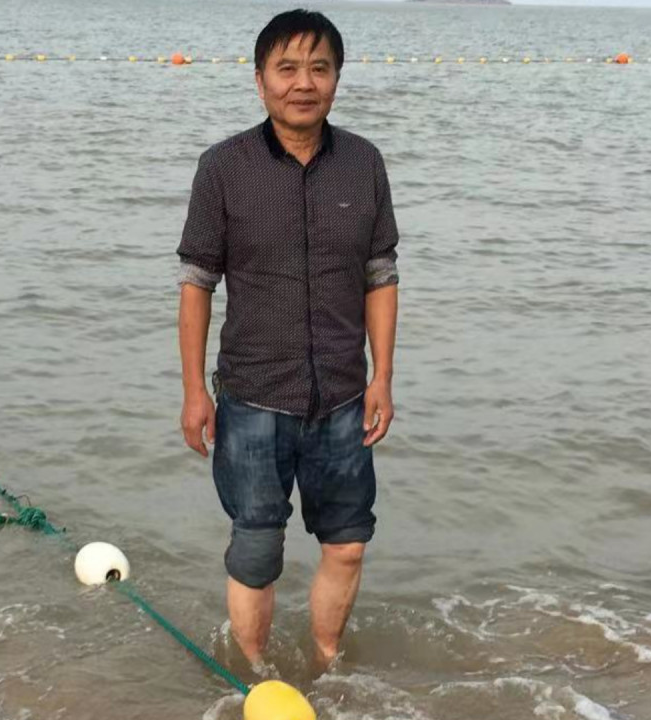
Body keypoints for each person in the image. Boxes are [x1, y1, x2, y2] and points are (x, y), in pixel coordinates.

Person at [177, 9, 399, 667]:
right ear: (260, 80)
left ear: (336, 78)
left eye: (319, 68)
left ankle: (327, 661)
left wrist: (382, 377)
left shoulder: (363, 163)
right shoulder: (223, 167)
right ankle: (253, 674)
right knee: (256, 548)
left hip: (342, 396)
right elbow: (197, 283)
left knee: (348, 542)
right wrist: (194, 392)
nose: (304, 83)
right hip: (252, 397)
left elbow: (381, 275)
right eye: (288, 68)